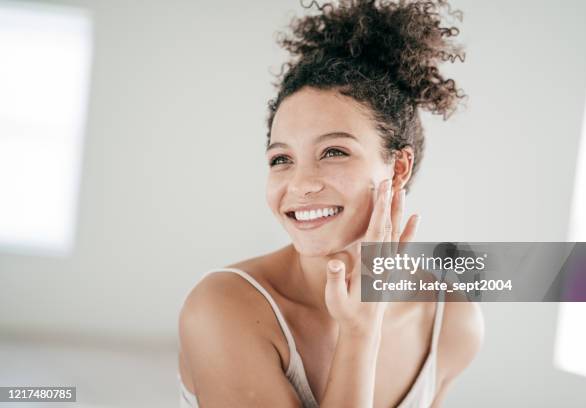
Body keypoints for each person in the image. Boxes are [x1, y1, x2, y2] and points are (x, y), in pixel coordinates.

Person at [178, 0, 484, 406]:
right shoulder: (222, 307)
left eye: (334, 152)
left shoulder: (451, 320)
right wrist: (360, 329)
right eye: (281, 159)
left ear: (398, 168)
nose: (300, 184)